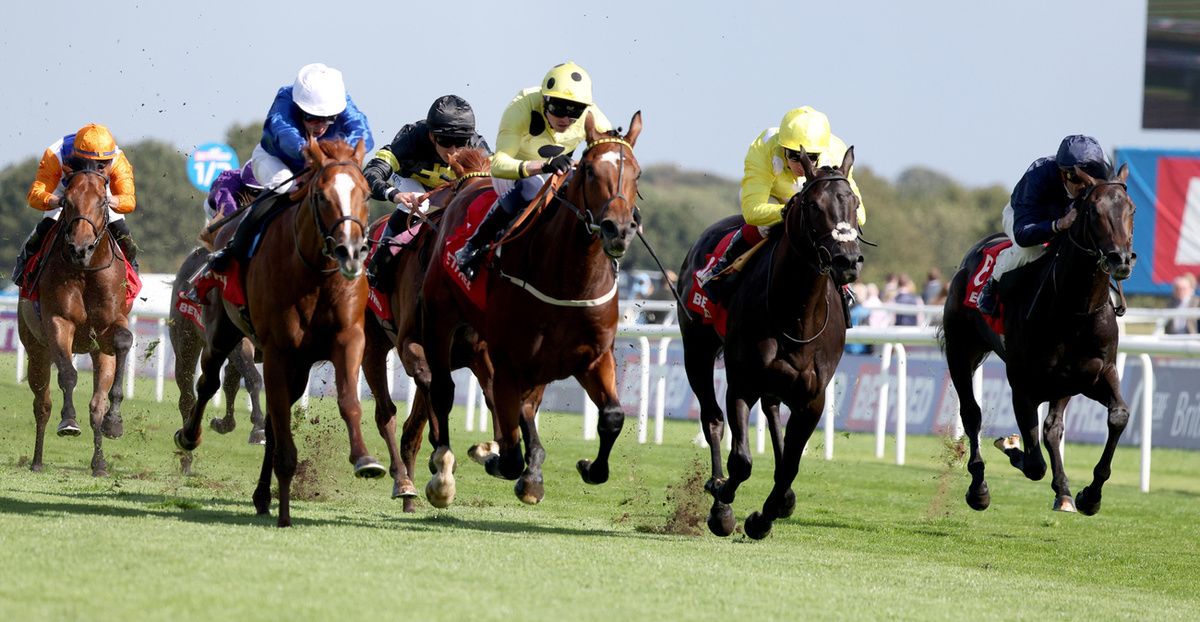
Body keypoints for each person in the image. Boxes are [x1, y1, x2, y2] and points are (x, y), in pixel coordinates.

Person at [453, 61, 613, 280]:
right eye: (558, 108)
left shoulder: (592, 115)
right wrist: (543, 166)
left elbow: (613, 156)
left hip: (557, 173)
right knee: (531, 186)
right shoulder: (521, 107)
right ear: (544, 100)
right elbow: (499, 164)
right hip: (514, 175)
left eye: (575, 111)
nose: (566, 119)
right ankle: (473, 247)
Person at [207, 63, 373, 271]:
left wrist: (342, 157)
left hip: (323, 165)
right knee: (284, 188)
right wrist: (308, 152)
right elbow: (282, 130)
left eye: (328, 119)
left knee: (348, 194)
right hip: (277, 160)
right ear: (300, 107)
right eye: (312, 117)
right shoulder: (285, 98)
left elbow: (363, 131)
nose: (320, 126)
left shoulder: (341, 100)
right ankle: (233, 249)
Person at [696, 106, 866, 297]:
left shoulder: (836, 152)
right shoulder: (764, 147)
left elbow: (860, 215)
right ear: (782, 147)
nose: (803, 164)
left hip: (813, 205)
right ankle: (721, 269)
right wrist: (788, 211)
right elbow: (752, 211)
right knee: (764, 226)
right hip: (773, 197)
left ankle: (842, 283)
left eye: (812, 158)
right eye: (795, 155)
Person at [363, 95, 491, 290]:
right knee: (420, 203)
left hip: (447, 188)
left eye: (461, 142)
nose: (454, 151)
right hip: (410, 182)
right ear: (432, 136)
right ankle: (378, 263)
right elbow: (371, 173)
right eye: (446, 142)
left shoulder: (477, 146)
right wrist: (395, 194)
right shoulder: (411, 139)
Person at [976, 135, 1112, 316]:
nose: (1083, 186)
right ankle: (992, 284)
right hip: (1023, 218)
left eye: (1089, 179)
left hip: (1063, 222)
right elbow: (1023, 234)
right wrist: (1058, 225)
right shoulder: (1037, 175)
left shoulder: (1096, 186)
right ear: (1063, 173)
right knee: (1031, 250)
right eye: (1076, 178)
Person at [14, 123, 139, 282]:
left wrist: (105, 199)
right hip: (63, 190)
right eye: (90, 163)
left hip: (100, 193)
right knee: (47, 225)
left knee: (122, 232)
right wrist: (58, 201)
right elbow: (34, 195)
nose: (96, 169)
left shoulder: (117, 159)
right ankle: (23, 268)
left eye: (102, 165)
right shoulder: (55, 155)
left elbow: (129, 200)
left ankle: (131, 274)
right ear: (77, 156)